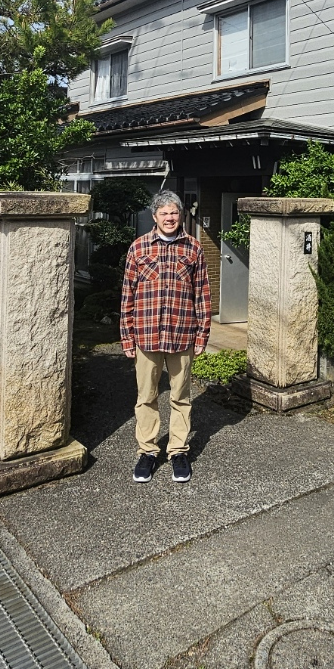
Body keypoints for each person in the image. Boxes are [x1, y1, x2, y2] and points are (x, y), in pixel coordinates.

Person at [120, 189, 211, 483]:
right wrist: (126, 336)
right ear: (154, 216)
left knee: (181, 396)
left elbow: (203, 297)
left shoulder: (194, 249)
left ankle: (178, 451)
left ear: (180, 215)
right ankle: (147, 451)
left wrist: (201, 336)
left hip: (182, 335)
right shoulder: (138, 248)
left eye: (174, 213)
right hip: (146, 336)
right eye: (164, 213)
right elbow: (127, 297)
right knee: (146, 397)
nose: (169, 218)